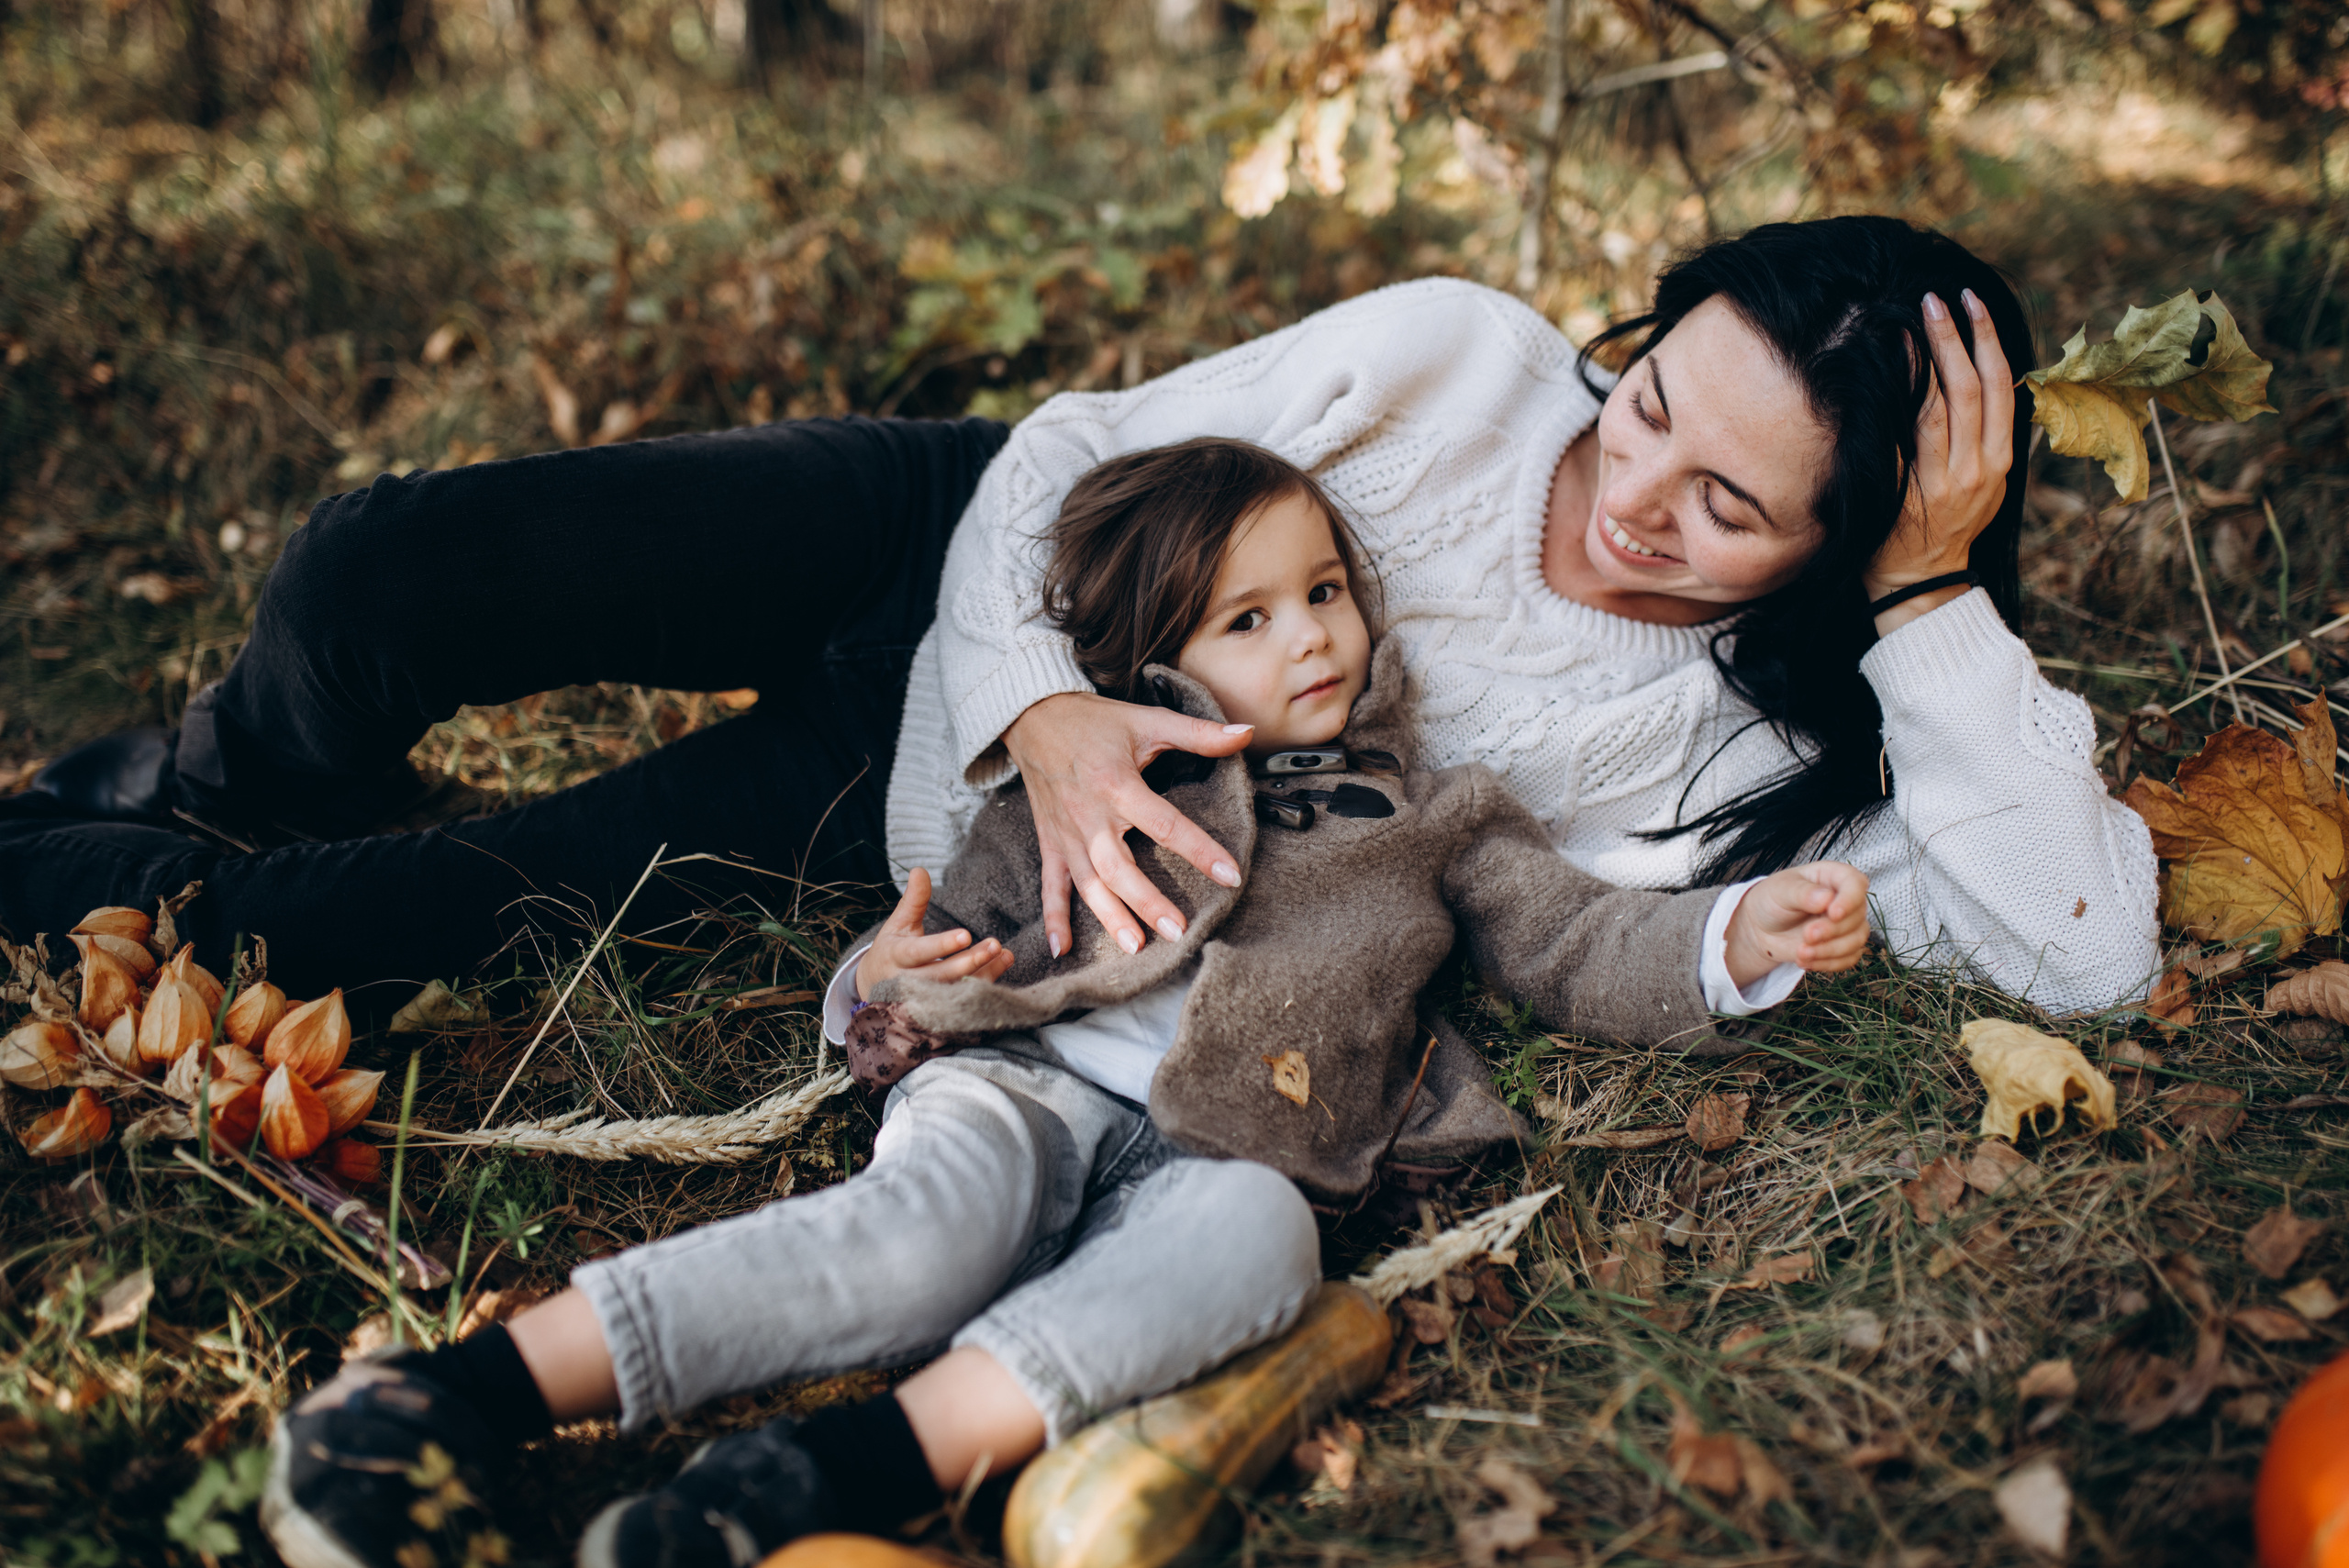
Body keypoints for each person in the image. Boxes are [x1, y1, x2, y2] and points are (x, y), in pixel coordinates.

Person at [260, 437, 1876, 1568]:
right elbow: (930, 947)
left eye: (1325, 590)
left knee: (1261, 1248)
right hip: (1024, 1082)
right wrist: (886, 990)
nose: (1311, 634)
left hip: (1237, 1141)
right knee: (920, 1237)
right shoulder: (1093, 779)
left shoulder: (1440, 814)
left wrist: (1736, 934)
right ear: (1154, 658)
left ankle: (812, 1479)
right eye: (1249, 619)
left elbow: (1579, 942)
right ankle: (456, 1394)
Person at [0, 216, 2155, 1019]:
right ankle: (204, 768)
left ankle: (100, 857)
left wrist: (1933, 598)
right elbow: (1069, 445)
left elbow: (2089, 947)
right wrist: (1036, 696)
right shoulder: (1465, 355)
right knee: (371, 571)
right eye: (1652, 398)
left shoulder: (1744, 752)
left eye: (1726, 511)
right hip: (957, 535)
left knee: (353, 931)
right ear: (1643, 321)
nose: (1628, 492)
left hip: (924, 813)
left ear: (1832, 552)